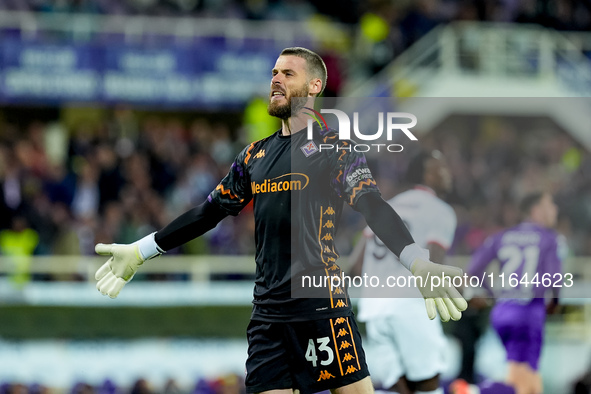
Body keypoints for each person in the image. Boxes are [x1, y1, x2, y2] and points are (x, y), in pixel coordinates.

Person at [93, 47, 467, 394]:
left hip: (321, 307)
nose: (276, 79)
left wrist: (417, 261)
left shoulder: (335, 150)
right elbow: (209, 212)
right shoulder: (254, 156)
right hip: (267, 318)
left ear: (315, 86)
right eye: (274, 72)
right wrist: (141, 250)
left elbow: (373, 205)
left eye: (288, 73)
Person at [350, 150, 457, 394]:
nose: (448, 174)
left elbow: (356, 267)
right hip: (410, 305)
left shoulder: (387, 206)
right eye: (442, 169)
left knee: (399, 388)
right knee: (428, 384)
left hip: (374, 308)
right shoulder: (439, 210)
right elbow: (435, 264)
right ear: (429, 174)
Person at [450, 192, 565, 394]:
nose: (555, 209)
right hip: (528, 312)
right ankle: (472, 392)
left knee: (529, 381)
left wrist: (493, 293)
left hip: (503, 311)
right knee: (519, 382)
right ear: (535, 210)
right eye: (550, 204)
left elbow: (473, 270)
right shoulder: (549, 239)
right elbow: (554, 277)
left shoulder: (501, 236)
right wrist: (555, 302)